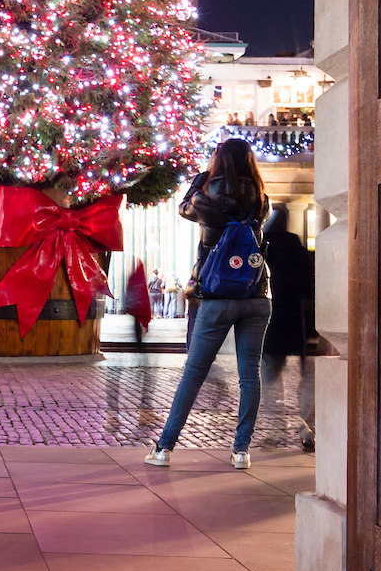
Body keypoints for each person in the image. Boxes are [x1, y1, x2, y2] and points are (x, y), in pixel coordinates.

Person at [144, 137, 271, 470]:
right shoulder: (260, 198)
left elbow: (185, 208)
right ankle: (241, 451)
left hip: (216, 296)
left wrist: (201, 179)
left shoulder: (209, 194)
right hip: (256, 295)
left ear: (220, 159)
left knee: (194, 374)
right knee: (249, 376)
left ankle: (164, 448)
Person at [260, 203, 316, 450]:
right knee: (306, 377)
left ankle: (275, 426)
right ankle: (307, 428)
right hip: (296, 321)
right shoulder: (297, 249)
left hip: (270, 322)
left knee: (271, 377)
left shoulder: (263, 248)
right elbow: (310, 285)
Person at [123, 258, 152, 349]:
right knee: (137, 322)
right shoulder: (141, 279)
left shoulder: (134, 277)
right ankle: (139, 338)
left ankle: (138, 338)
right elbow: (143, 293)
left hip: (134, 305)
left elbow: (130, 289)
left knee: (136, 321)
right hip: (140, 305)